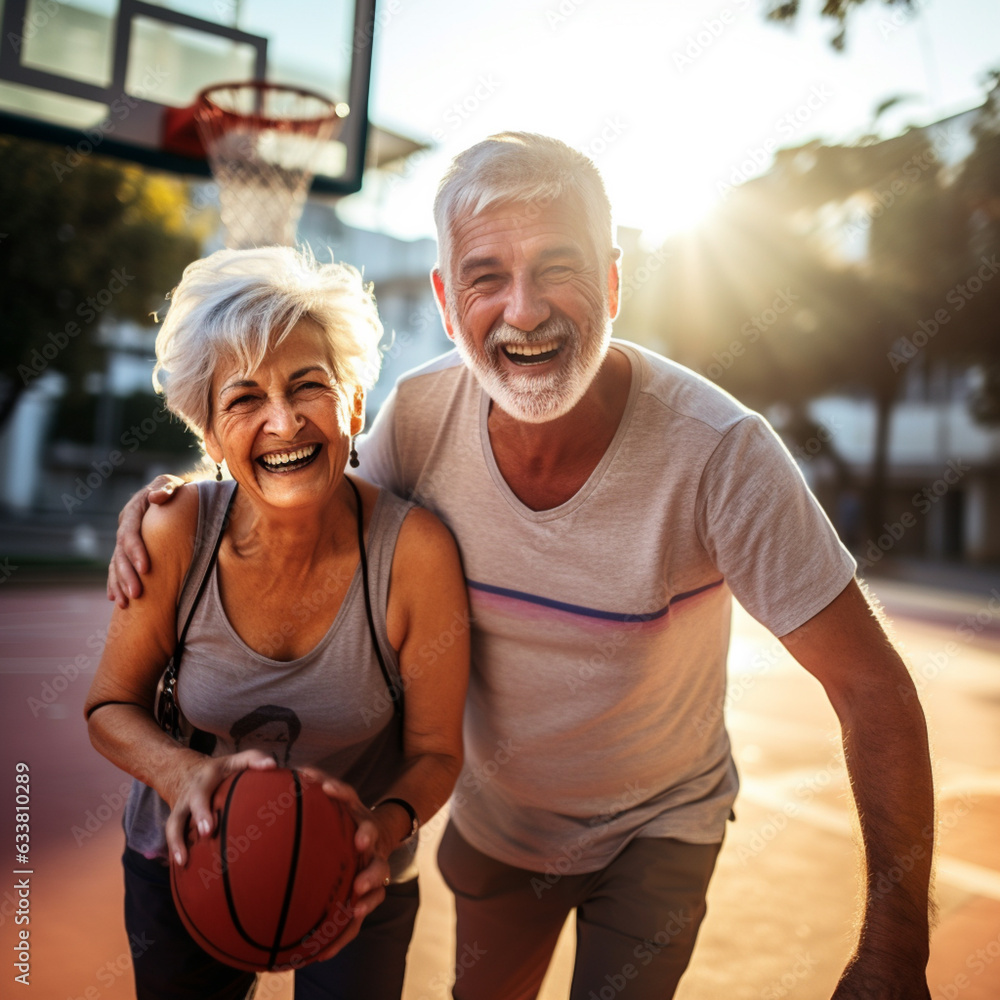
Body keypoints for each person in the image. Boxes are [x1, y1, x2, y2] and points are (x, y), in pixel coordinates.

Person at [109, 135, 934, 999]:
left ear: (615, 281)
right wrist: (184, 504)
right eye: (486, 276)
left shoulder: (722, 455)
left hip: (659, 823)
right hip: (502, 824)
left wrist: (893, 949)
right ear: (444, 296)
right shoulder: (421, 415)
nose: (524, 310)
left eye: (558, 267)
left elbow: (871, 687)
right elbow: (303, 488)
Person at [87, 245, 469, 1000]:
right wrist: (184, 772)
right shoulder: (174, 534)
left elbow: (434, 753)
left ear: (354, 404)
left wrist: (380, 831)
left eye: (309, 387)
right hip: (184, 857)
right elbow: (108, 707)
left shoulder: (415, 552)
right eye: (244, 400)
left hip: (358, 876)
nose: (283, 421)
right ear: (211, 433)